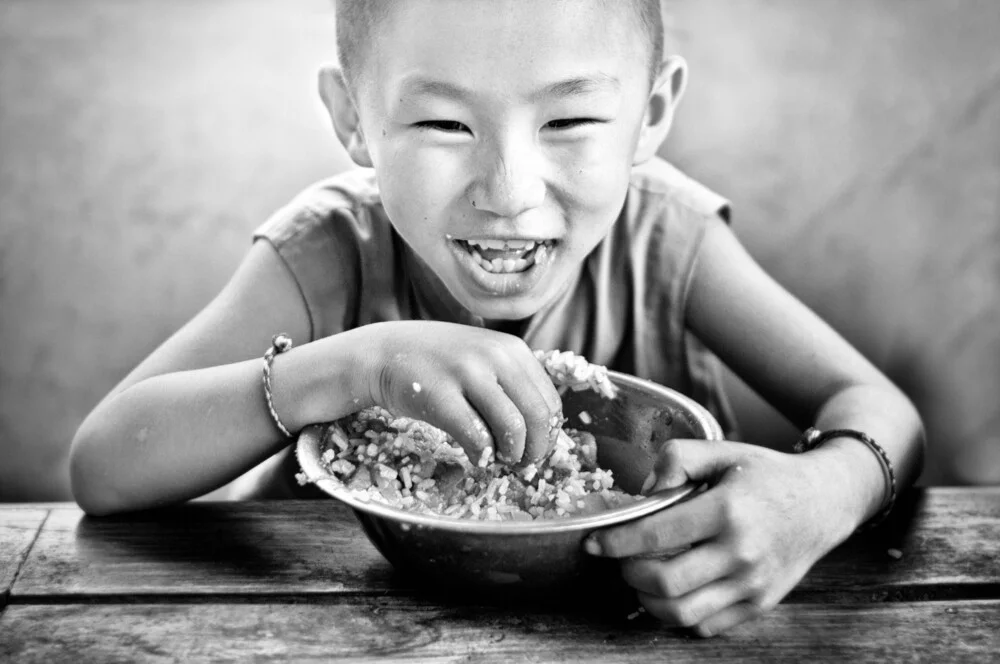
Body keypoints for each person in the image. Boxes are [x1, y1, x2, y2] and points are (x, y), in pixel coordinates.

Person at [70, 0, 925, 637]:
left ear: (652, 113)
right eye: (445, 122)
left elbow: (878, 410)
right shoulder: (333, 254)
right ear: (351, 119)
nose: (509, 192)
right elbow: (104, 466)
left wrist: (823, 495)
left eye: (571, 120)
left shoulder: (666, 242)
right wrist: (349, 366)